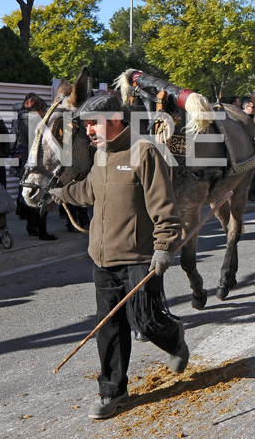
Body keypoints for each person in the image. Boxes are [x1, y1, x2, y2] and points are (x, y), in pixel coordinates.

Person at [50, 94, 189, 420]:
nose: (88, 133)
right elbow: (89, 191)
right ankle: (113, 390)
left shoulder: (143, 152)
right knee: (109, 326)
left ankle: (174, 337)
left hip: (140, 257)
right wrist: (61, 193)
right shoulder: (100, 156)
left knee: (146, 321)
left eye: (92, 125)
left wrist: (164, 247)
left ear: (115, 120)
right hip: (103, 259)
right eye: (85, 126)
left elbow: (165, 207)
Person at [15, 94, 57, 241]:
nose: (45, 114)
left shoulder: (22, 119)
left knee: (31, 197)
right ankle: (41, 231)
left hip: (28, 162)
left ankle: (33, 227)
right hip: (35, 163)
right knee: (40, 197)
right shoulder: (32, 122)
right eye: (43, 110)